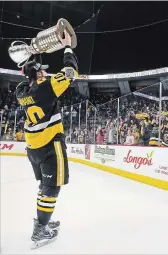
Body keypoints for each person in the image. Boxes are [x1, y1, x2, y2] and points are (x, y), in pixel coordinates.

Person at [15, 30, 78, 247]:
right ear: (37, 76)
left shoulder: (21, 91)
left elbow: (28, 76)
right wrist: (68, 47)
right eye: (42, 72)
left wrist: (35, 54)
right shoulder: (48, 88)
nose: (45, 74)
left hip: (33, 149)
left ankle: (43, 220)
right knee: (52, 188)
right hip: (51, 145)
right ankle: (40, 229)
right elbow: (70, 72)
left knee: (45, 185)